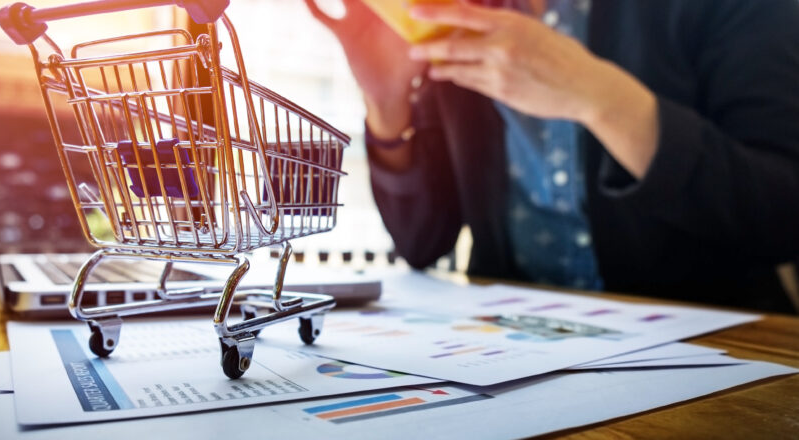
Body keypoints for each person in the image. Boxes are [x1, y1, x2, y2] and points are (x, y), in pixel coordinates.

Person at [306, 0, 799, 313]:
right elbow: (421, 242)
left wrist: (601, 98)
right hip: (515, 350)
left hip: (714, 350)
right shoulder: (457, 17)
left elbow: (781, 215)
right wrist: (388, 103)